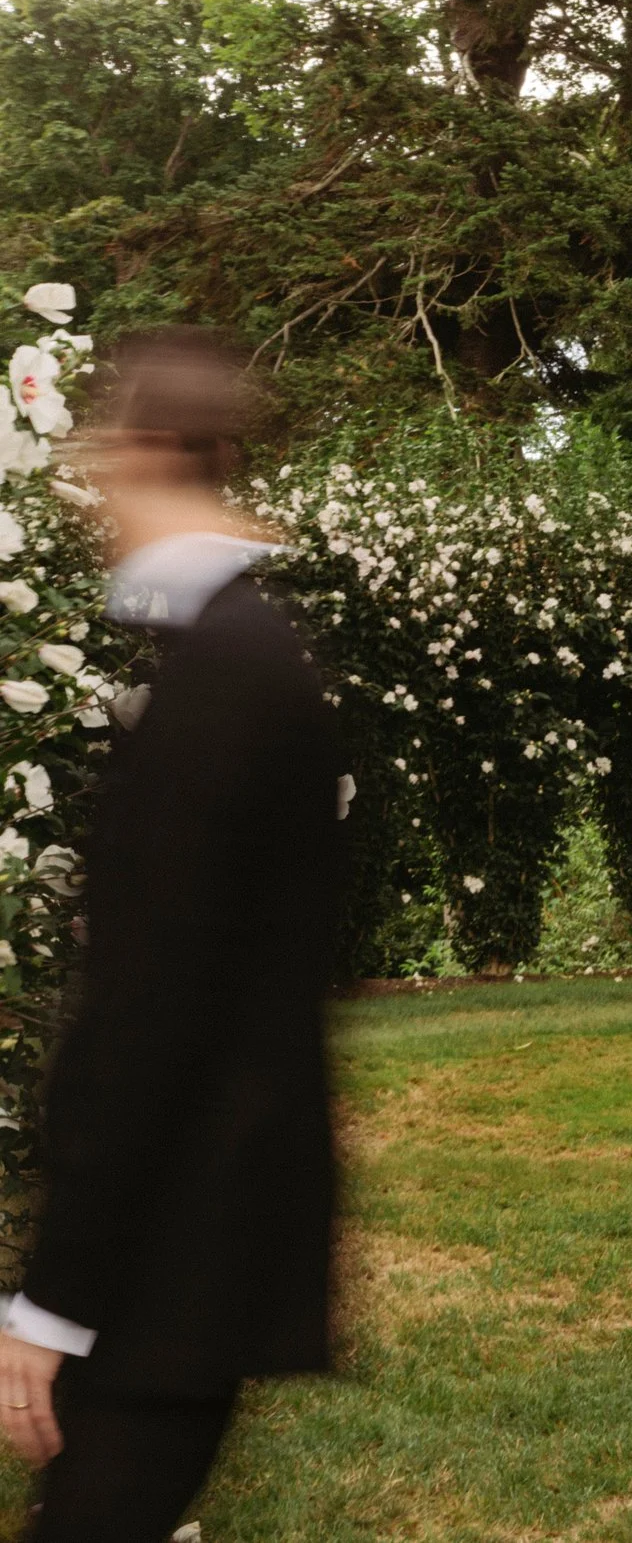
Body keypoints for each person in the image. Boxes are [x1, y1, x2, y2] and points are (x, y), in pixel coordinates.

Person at [0, 328, 345, 1540]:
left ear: (150, 451)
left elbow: (153, 1013)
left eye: (98, 457)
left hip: (173, 1243)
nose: (85, 488)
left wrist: (53, 1302)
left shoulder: (223, 676)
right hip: (197, 1228)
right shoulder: (242, 650)